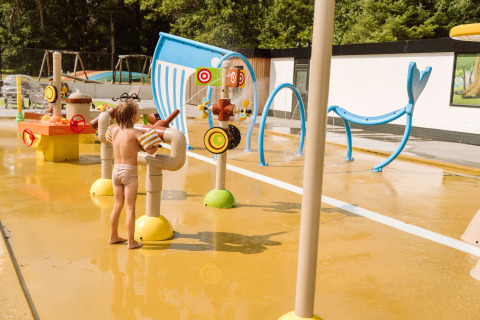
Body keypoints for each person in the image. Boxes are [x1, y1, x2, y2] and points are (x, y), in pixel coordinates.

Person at [106, 100, 162, 249]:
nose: (139, 114)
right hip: (129, 173)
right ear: (132, 117)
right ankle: (131, 241)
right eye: (137, 113)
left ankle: (113, 236)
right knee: (130, 208)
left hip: (116, 171)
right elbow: (150, 150)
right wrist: (155, 141)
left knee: (117, 206)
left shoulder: (113, 130)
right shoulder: (136, 133)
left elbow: (108, 138)